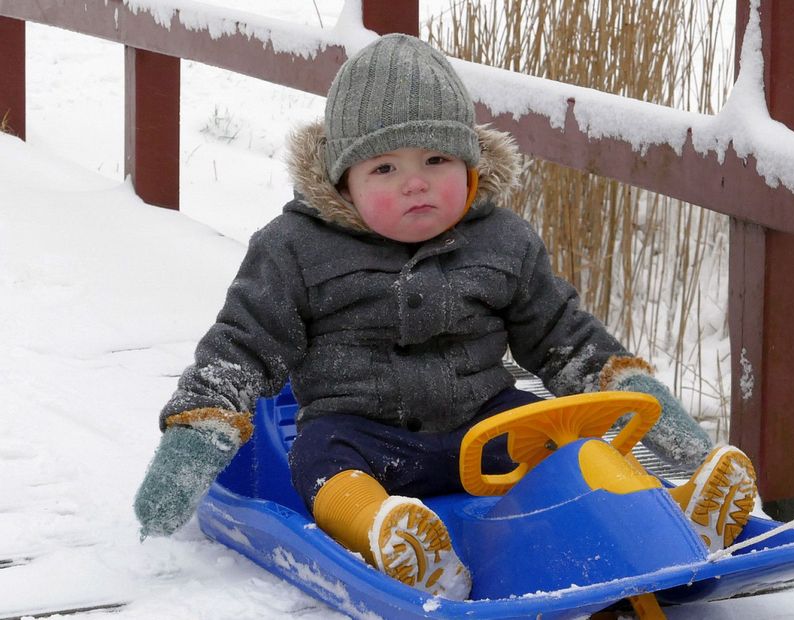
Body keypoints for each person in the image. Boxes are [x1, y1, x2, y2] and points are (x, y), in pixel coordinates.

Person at [133, 34, 756, 601]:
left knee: (572, 444)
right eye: (385, 168)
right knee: (318, 460)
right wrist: (196, 434)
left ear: (469, 164)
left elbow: (565, 339)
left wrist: (637, 395)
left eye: (436, 160)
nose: (416, 184)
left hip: (484, 430)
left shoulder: (503, 241)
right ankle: (392, 537)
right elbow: (242, 346)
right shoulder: (294, 248)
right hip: (363, 433)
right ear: (342, 180)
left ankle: (678, 522)